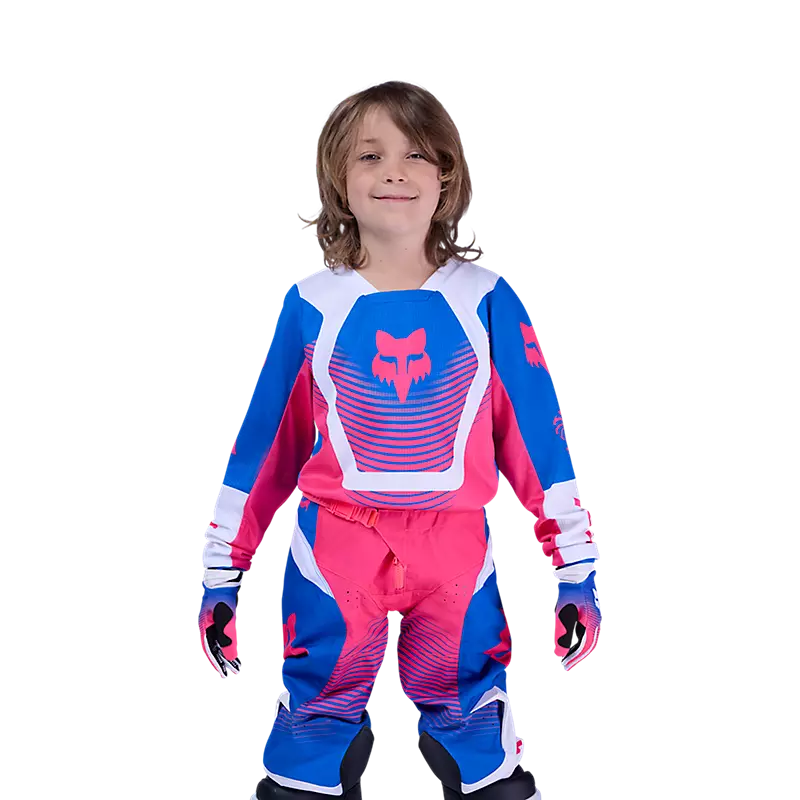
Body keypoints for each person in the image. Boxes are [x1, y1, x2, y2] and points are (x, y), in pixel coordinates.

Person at [198, 78, 602, 800]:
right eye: (369, 155)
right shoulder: (311, 304)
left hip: (455, 552)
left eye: (416, 154)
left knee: (476, 732)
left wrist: (575, 568)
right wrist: (222, 574)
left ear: (447, 175)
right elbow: (264, 446)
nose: (394, 171)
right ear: (337, 180)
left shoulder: (486, 298)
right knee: (312, 734)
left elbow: (538, 440)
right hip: (334, 550)